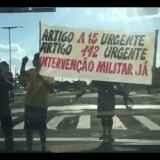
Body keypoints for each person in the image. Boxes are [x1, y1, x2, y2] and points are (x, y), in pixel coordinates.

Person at [19, 53, 54, 152]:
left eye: (36, 59)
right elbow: (22, 79)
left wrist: (42, 78)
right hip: (30, 104)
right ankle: (29, 148)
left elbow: (51, 89)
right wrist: (23, 63)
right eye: (34, 59)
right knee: (29, 129)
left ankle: (43, 147)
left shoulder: (48, 73)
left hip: (41, 105)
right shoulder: (31, 72)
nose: (34, 61)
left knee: (41, 129)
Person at [0, 61, 14, 151]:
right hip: (4, 109)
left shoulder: (7, 77)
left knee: (8, 130)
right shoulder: (4, 78)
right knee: (7, 130)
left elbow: (11, 86)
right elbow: (10, 86)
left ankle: (9, 147)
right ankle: (9, 147)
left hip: (5, 108)